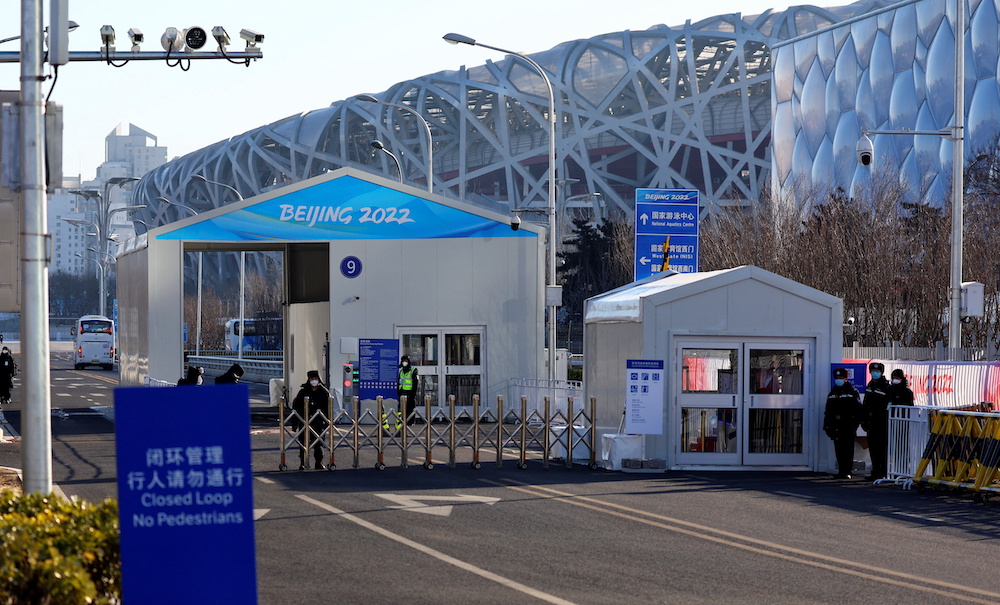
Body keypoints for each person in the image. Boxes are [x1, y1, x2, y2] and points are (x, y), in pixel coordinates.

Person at [823, 367, 861, 479]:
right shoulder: (832, 393)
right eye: (837, 378)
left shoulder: (852, 392)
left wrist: (855, 424)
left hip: (848, 424)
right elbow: (828, 411)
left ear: (845, 379)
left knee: (848, 449)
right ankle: (841, 471)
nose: (838, 380)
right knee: (839, 449)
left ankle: (847, 471)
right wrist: (827, 426)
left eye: (841, 378)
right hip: (836, 426)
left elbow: (857, 409)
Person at [291, 370, 330, 470]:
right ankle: (303, 463)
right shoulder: (303, 391)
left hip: (319, 421)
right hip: (304, 421)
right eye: (312, 379)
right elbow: (296, 408)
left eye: (315, 379)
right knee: (303, 442)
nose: (314, 381)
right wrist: (294, 423)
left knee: (319, 442)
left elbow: (328, 408)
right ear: (309, 380)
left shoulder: (323, 392)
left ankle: (319, 462)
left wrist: (327, 421)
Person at [861, 361, 891, 481]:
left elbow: (886, 405)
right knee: (873, 448)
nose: (875, 373)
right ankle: (875, 471)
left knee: (881, 448)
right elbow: (866, 403)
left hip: (881, 422)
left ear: (881, 373)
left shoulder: (886, 386)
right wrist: (864, 419)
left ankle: (883, 471)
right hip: (871, 422)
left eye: (877, 372)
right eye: (873, 371)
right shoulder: (870, 385)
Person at [397, 355, 419, 425]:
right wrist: (399, 391)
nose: (404, 363)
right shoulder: (401, 371)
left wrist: (413, 393)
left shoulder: (413, 370)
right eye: (403, 361)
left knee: (410, 408)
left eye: (406, 361)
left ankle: (410, 422)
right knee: (402, 409)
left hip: (410, 393)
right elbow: (399, 381)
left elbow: (415, 382)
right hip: (402, 392)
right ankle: (402, 422)